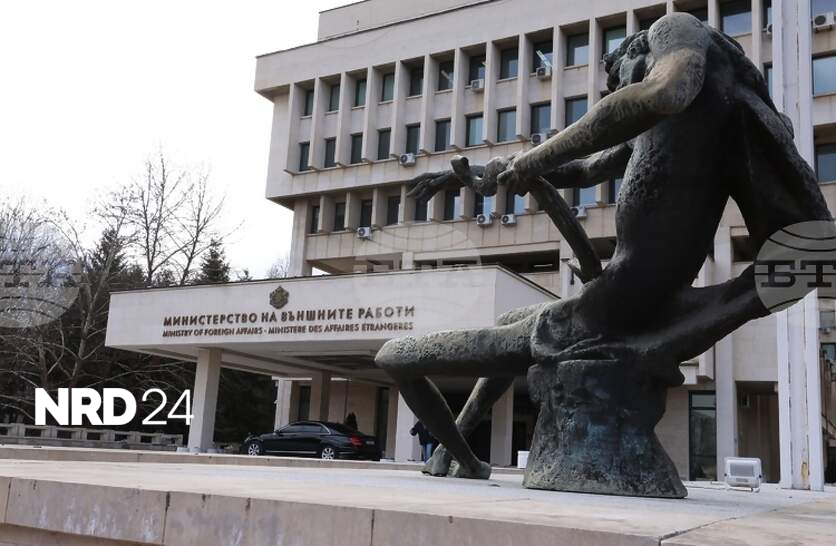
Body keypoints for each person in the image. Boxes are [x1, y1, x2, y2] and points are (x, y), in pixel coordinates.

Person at [376, 12, 832, 480]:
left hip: (604, 318)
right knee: (511, 319)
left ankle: (467, 459)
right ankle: (452, 448)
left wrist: (534, 159)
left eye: (617, 81)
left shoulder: (676, 41)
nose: (618, 92)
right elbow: (582, 169)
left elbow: (662, 92)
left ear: (639, 51)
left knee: (394, 356)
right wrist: (503, 170)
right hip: (619, 306)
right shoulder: (668, 132)